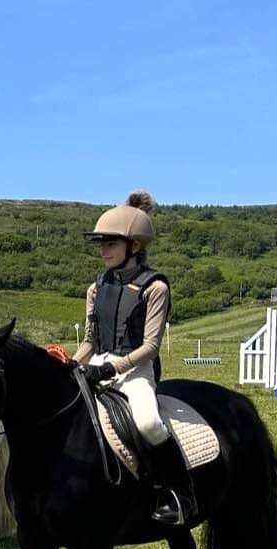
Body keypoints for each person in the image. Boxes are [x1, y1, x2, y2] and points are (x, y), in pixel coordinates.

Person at [73, 190, 195, 527]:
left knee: (148, 423)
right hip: (97, 363)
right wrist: (72, 363)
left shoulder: (155, 287)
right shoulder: (96, 288)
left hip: (136, 369)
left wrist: (112, 366)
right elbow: (90, 339)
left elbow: (151, 347)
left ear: (134, 246)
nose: (104, 250)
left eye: (111, 243)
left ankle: (179, 494)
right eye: (101, 244)